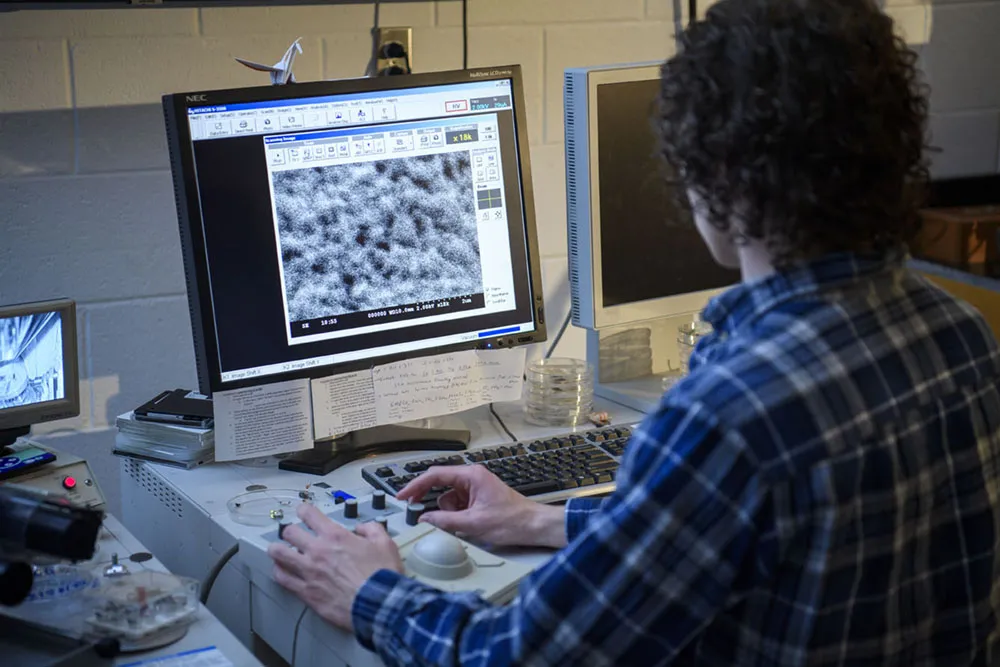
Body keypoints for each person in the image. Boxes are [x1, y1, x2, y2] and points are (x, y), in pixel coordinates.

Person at [267, 0, 1000, 663]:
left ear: (714, 169)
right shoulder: (961, 337)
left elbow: (514, 656)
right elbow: (727, 535)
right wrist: (544, 522)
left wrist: (368, 590)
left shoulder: (730, 416)